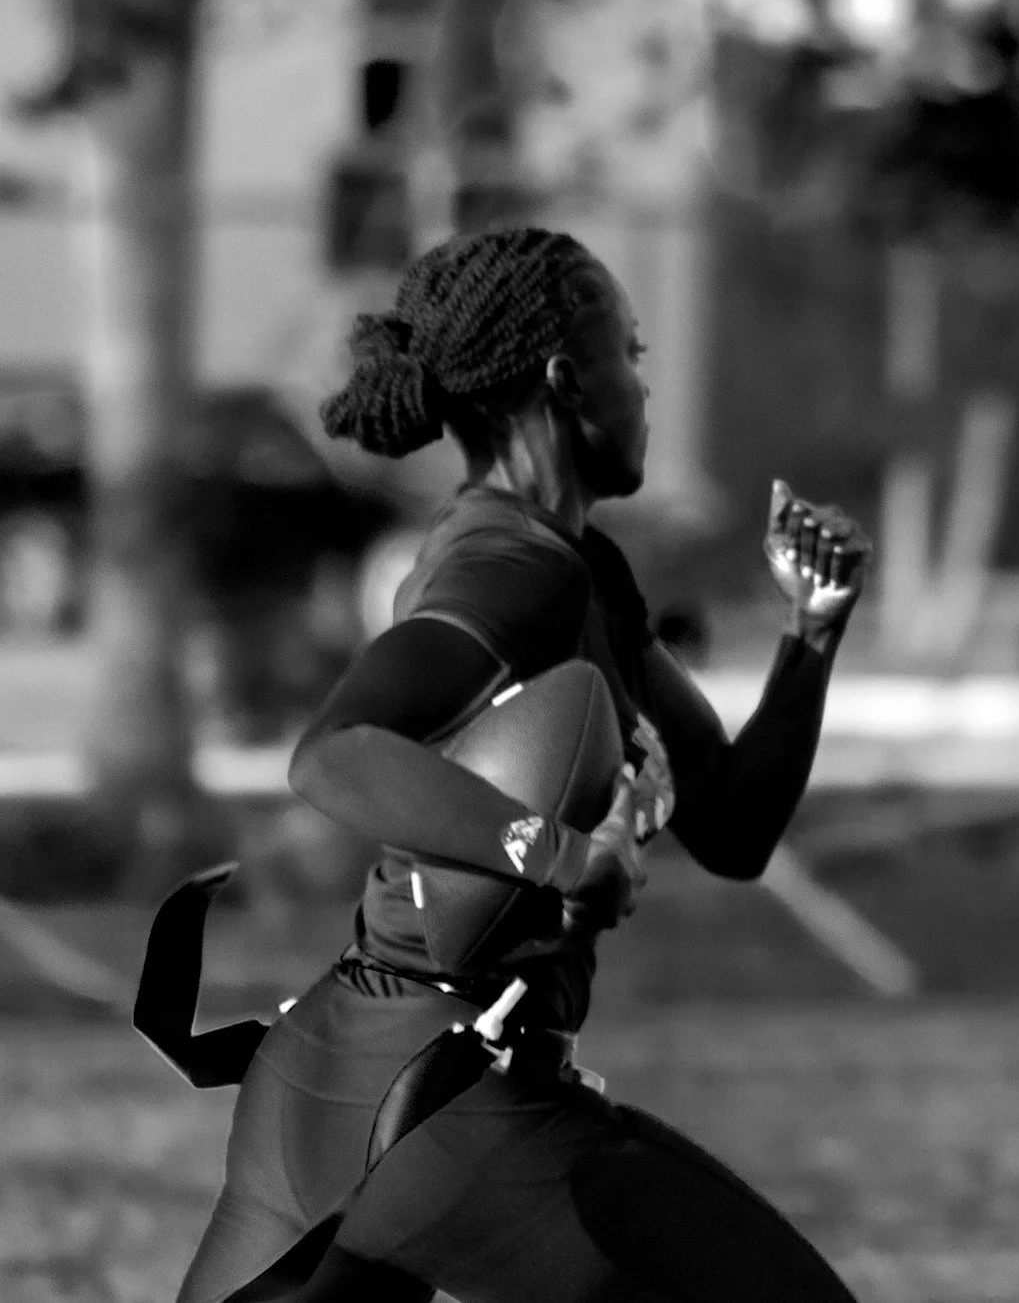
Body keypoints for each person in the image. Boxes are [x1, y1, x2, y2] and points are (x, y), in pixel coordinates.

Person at [173, 228, 873, 1303]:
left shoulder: (583, 570)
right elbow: (338, 754)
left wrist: (810, 633)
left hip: (332, 1092)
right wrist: (553, 854)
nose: (643, 385)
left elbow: (732, 823)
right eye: (628, 354)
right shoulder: (510, 566)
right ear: (563, 378)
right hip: (449, 1107)